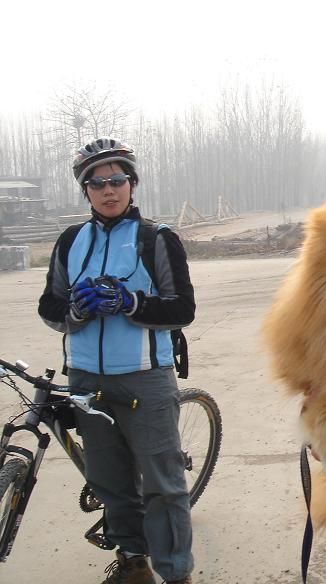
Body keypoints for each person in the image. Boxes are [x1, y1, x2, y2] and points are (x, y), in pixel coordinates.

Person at [38, 137, 196, 584]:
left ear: (132, 184)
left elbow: (182, 309)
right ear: (85, 191)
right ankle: (133, 561)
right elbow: (49, 307)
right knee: (110, 482)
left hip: (146, 379)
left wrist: (130, 302)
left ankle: (176, 573)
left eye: (117, 179)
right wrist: (76, 312)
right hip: (87, 379)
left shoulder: (157, 239)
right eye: (97, 182)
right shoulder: (71, 241)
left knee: (163, 484)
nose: (109, 190)